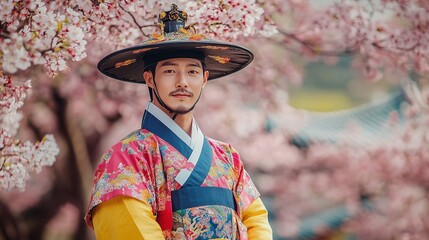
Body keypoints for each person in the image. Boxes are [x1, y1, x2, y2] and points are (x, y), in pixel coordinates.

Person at [85, 4, 273, 240]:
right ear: (149, 79)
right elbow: (130, 230)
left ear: (205, 79)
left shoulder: (227, 157)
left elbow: (256, 223)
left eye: (192, 72)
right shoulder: (125, 158)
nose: (182, 82)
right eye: (170, 72)